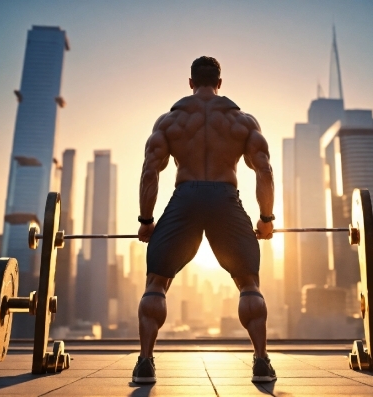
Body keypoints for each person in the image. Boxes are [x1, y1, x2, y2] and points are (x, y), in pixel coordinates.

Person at [133, 56, 276, 384]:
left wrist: (146, 220)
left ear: (191, 82)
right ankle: (261, 361)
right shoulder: (243, 121)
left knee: (156, 283)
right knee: (249, 283)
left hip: (185, 199)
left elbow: (149, 172)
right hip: (225, 199)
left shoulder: (169, 122)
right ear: (220, 83)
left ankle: (144, 364)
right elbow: (265, 170)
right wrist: (266, 219)